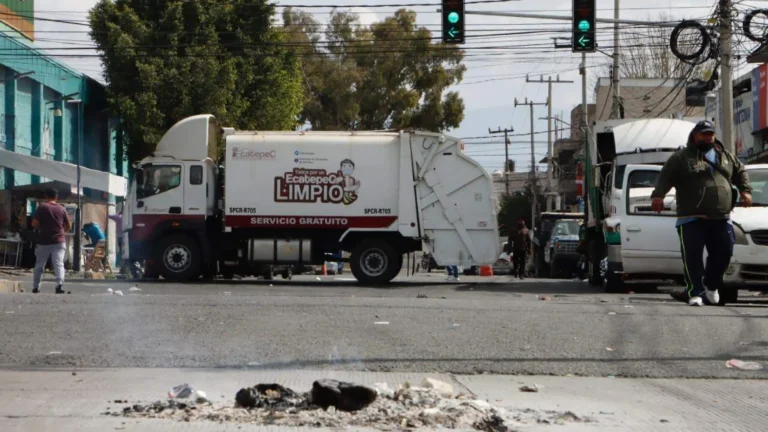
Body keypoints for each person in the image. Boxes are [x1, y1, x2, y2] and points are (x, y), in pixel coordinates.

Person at [651, 120, 752, 306]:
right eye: (704, 134)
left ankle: (711, 286)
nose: (708, 137)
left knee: (725, 252)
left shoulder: (725, 156)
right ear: (695, 135)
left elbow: (740, 171)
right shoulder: (681, 157)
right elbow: (666, 176)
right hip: (690, 217)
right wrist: (658, 196)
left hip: (721, 216)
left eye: (711, 134)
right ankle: (695, 292)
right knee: (693, 256)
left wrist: (746, 190)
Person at [31, 188, 71, 294]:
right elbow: (68, 225)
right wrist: (62, 232)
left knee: (39, 265)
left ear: (46, 196)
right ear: (56, 197)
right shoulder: (62, 209)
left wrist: (41, 228)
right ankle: (59, 285)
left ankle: (36, 287)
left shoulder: (42, 207)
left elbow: (34, 223)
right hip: (59, 241)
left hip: (44, 241)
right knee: (58, 263)